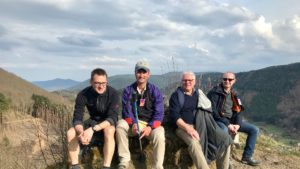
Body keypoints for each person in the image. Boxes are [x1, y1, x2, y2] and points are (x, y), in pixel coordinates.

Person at [169, 71, 232, 169]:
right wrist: (188, 128)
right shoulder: (176, 96)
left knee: (225, 139)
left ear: (194, 81)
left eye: (190, 80)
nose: (187, 82)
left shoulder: (198, 94)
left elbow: (207, 108)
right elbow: (175, 116)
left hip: (202, 124)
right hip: (182, 127)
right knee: (194, 143)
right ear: (181, 81)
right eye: (185, 80)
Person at [67, 68, 119, 169]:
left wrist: (92, 129)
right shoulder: (83, 94)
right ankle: (75, 166)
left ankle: (106, 166)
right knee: (71, 132)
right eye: (97, 83)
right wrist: (81, 132)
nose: (101, 86)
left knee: (110, 130)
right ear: (91, 82)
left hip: (106, 123)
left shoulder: (113, 94)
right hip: (92, 121)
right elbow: (77, 118)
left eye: (104, 83)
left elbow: (112, 118)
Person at [116, 61, 165, 169]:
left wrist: (150, 127)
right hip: (133, 125)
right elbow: (126, 111)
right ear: (135, 73)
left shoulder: (155, 91)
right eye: (139, 72)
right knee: (120, 125)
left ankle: (158, 166)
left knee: (160, 134)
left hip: (149, 126)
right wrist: (133, 123)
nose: (141, 75)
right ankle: (124, 161)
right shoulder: (128, 90)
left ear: (148, 74)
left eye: (144, 72)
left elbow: (159, 113)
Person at [207, 72, 260, 166]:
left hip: (232, 122)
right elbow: (213, 112)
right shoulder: (214, 93)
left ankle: (247, 157)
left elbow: (239, 111)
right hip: (219, 120)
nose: (227, 81)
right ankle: (220, 159)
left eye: (230, 79)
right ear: (222, 80)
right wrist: (228, 124)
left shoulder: (234, 95)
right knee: (224, 132)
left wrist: (238, 124)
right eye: (225, 79)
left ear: (234, 81)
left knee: (254, 130)